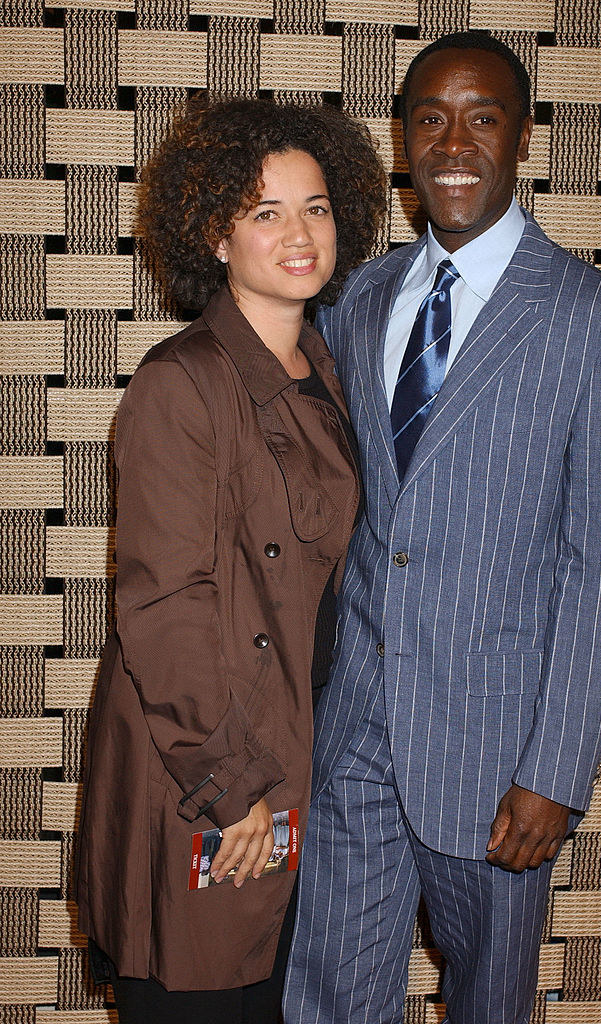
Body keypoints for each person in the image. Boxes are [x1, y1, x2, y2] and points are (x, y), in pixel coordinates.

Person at [284, 31, 601, 1024]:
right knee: (325, 996)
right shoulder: (357, 301)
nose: (454, 142)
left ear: (521, 135)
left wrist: (553, 773)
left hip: (498, 759)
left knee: (488, 1005)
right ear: (403, 144)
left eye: (482, 118)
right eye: (430, 119)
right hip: (354, 735)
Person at [74, 95, 385, 1024]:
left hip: (284, 755)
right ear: (214, 234)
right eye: (266, 211)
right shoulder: (182, 383)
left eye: (317, 207)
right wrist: (231, 783)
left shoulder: (322, 368)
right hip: (205, 772)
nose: (300, 233)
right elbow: (165, 603)